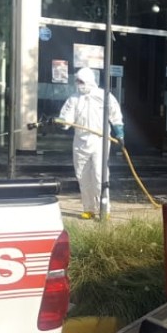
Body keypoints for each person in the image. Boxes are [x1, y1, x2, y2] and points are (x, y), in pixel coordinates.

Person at [57, 66, 124, 219]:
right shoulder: (73, 99)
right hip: (80, 142)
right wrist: (62, 122)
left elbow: (115, 114)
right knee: (82, 176)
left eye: (81, 81)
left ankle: (104, 208)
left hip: (99, 141)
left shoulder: (104, 96)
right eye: (77, 81)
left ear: (89, 80)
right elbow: (66, 118)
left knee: (100, 176)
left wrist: (119, 132)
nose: (78, 84)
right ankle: (89, 208)